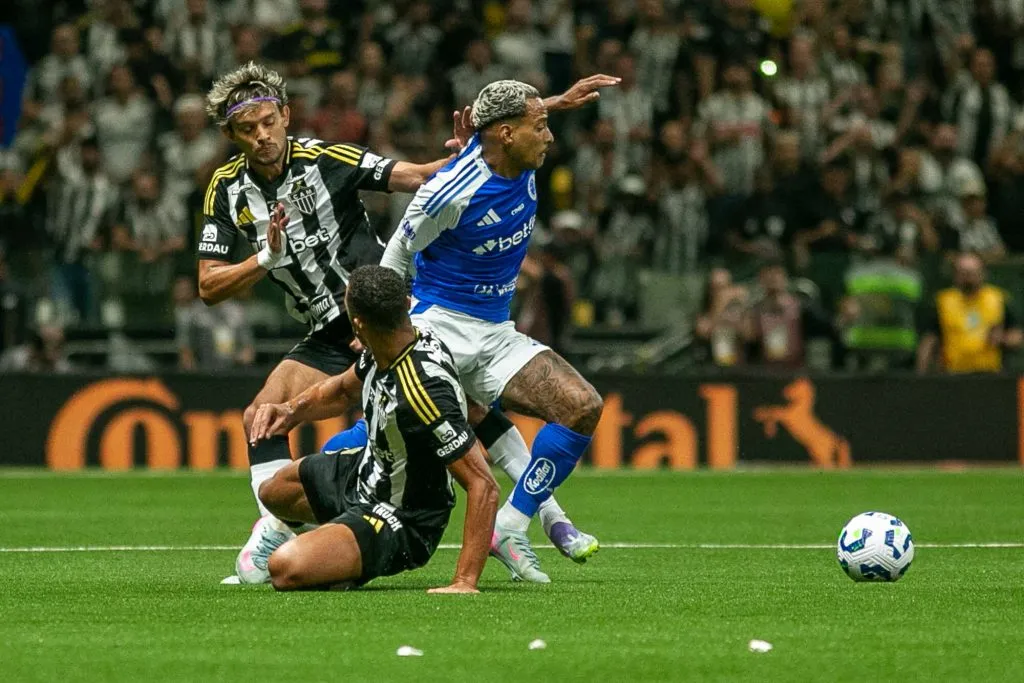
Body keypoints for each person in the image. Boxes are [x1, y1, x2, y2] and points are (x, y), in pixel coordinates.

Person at [198, 62, 457, 581]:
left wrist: (462, 155)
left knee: (448, 422)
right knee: (262, 418)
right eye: (248, 129)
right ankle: (279, 524)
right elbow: (208, 285)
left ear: (286, 115)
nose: (262, 135)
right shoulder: (224, 189)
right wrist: (263, 262)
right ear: (231, 135)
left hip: (380, 318)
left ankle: (520, 522)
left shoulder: (326, 157)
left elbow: (411, 176)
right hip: (325, 329)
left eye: (269, 121)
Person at [379, 79, 618, 582]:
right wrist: (387, 328)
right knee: (380, 445)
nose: (550, 136)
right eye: (542, 126)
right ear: (507, 134)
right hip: (434, 326)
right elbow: (398, 252)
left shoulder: (512, 150)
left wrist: (558, 101)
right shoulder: (450, 191)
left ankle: (510, 525)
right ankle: (278, 521)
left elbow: (500, 124)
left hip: (493, 332)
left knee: (582, 407)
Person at [248, 266, 499, 593]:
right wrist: (289, 411)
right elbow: (340, 390)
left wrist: (464, 580)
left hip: (402, 516)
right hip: (368, 471)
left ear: (358, 325)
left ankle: (343, 554)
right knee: (273, 492)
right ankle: (337, 543)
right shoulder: (388, 346)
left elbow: (484, 484)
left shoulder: (423, 392)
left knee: (284, 569)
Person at [916, 252, 1022, 374]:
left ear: (982, 273)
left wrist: (1001, 339)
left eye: (972, 273)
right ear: (955, 275)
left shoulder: (999, 299)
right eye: (963, 273)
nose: (968, 278)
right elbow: (929, 340)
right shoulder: (943, 301)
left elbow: (1017, 336)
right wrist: (921, 374)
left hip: (990, 374)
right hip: (953, 375)